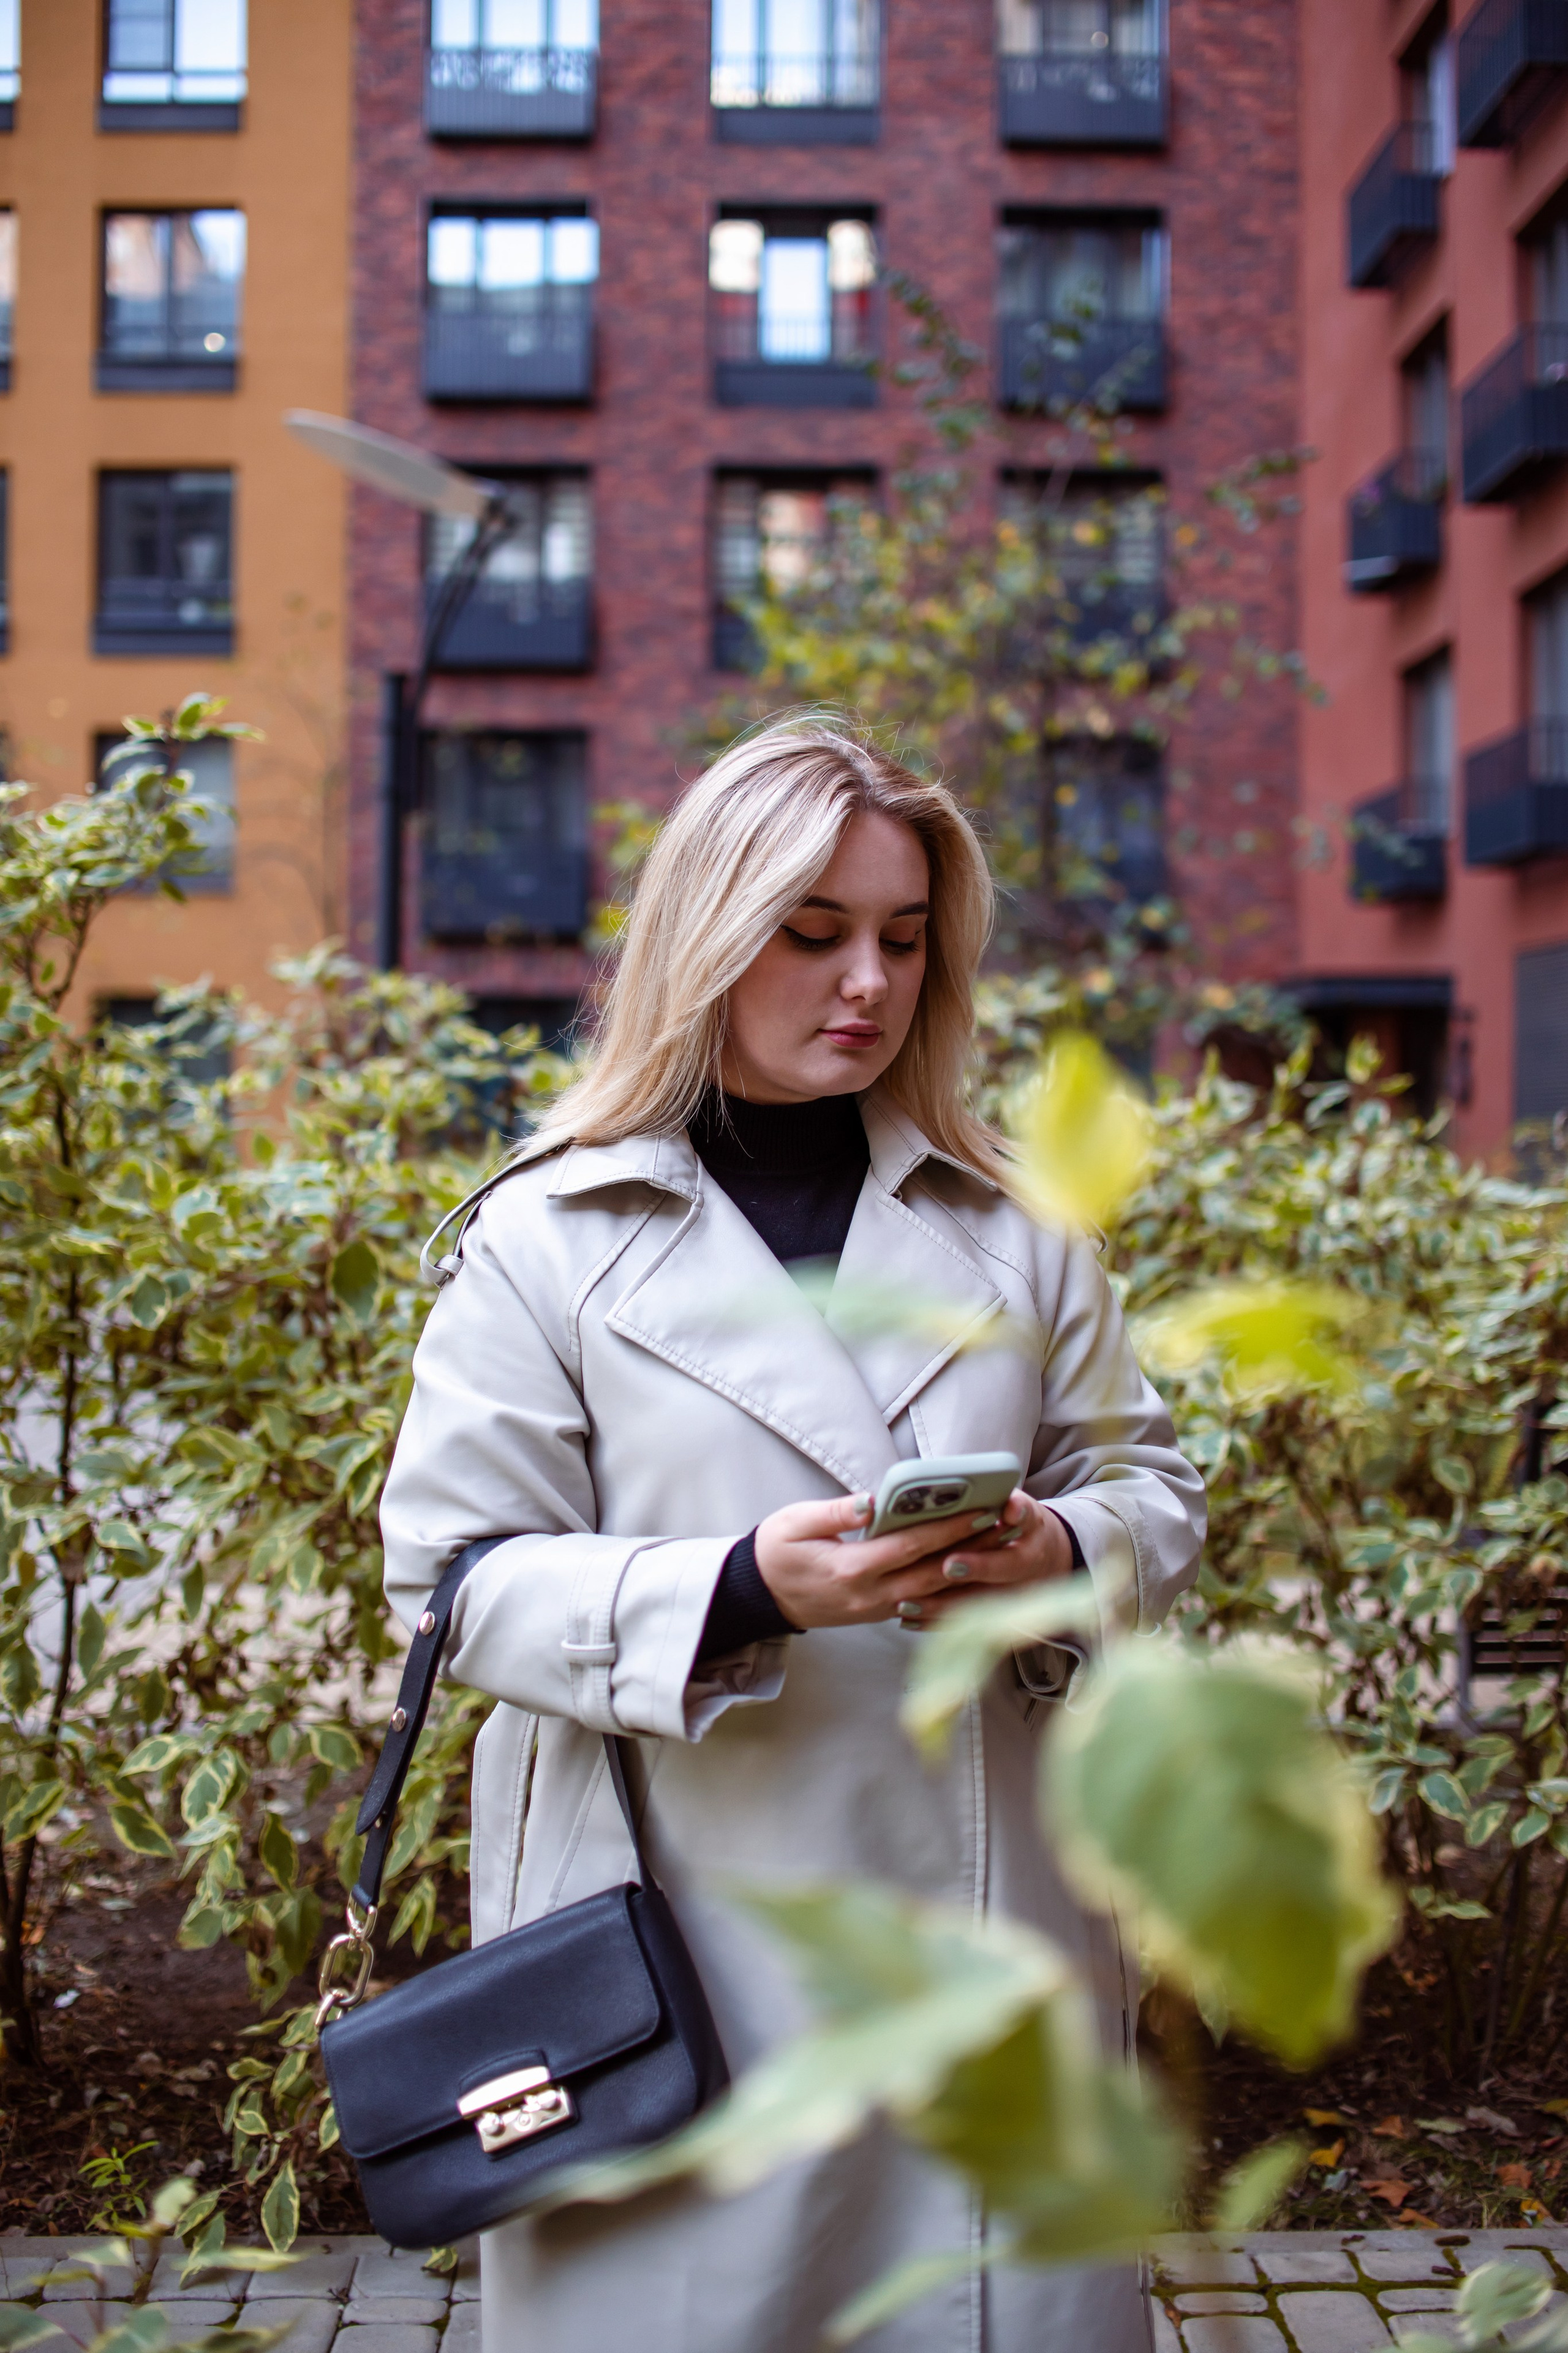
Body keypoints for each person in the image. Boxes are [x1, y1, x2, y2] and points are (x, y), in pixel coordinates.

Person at [379, 716, 1206, 2353]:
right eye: (813, 932)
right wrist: (749, 1584)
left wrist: (1051, 1543)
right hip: (681, 1937)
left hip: (994, 1916)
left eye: (905, 938)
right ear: (710, 933)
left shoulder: (1020, 1236)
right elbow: (451, 1583)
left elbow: (1154, 1497)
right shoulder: (549, 1237)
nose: (869, 981)